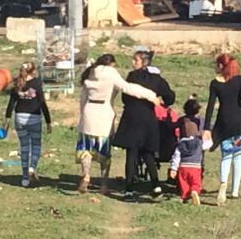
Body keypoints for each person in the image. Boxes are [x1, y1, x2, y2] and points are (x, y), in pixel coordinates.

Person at [77, 54, 162, 195]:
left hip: (88, 113)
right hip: (104, 114)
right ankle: (104, 185)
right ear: (111, 64)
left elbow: (83, 98)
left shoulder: (90, 72)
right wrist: (151, 95)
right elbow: (128, 88)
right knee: (104, 152)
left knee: (86, 149)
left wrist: (82, 115)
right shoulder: (111, 74)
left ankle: (86, 175)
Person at [112, 50, 175, 199]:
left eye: (136, 60)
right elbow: (170, 97)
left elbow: (125, 98)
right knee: (148, 154)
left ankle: (129, 189)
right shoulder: (156, 79)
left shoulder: (131, 77)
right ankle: (156, 185)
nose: (133, 62)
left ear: (144, 62)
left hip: (132, 118)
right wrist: (162, 101)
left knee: (131, 154)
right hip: (148, 119)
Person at [204, 54, 241, 205]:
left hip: (225, 123)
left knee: (226, 155)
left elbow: (210, 107)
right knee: (237, 154)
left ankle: (223, 183)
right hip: (240, 122)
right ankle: (235, 190)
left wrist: (207, 128)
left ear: (220, 66)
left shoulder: (214, 84)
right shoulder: (238, 80)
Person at [2, 62, 51, 188]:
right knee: (36, 145)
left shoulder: (17, 83)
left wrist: (6, 122)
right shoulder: (36, 83)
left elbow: (11, 104)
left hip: (19, 118)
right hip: (33, 118)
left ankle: (24, 178)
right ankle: (32, 167)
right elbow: (42, 103)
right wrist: (48, 121)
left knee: (24, 147)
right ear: (33, 71)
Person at [169, 120, 210, 205]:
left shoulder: (180, 144)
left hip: (183, 167)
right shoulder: (198, 142)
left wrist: (173, 169)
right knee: (195, 182)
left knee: (184, 183)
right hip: (195, 167)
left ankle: (185, 196)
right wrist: (207, 137)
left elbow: (176, 157)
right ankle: (194, 191)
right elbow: (208, 145)